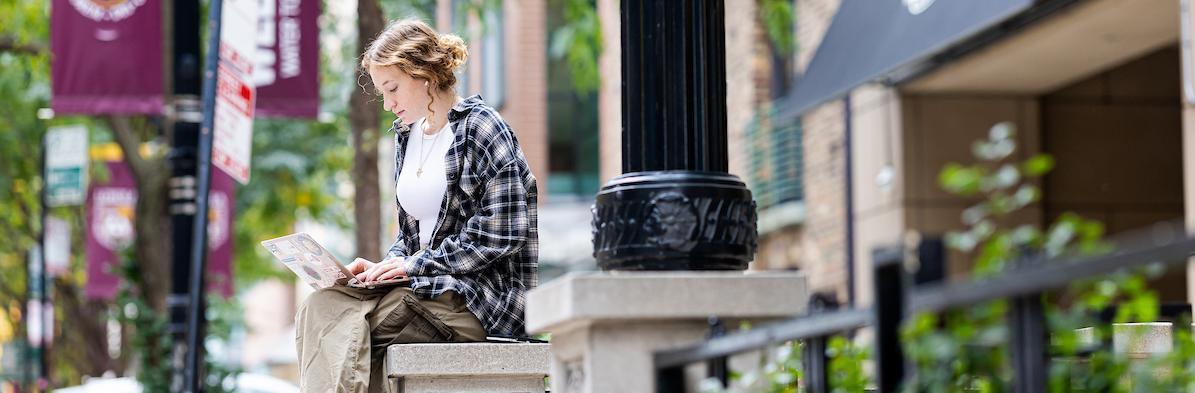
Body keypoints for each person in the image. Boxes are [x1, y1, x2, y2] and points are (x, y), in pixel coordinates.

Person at [294, 18, 539, 393]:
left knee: (348, 325)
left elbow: (501, 234)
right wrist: (384, 267)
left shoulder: (482, 127)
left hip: (476, 298)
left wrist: (412, 266)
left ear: (423, 73)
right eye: (382, 92)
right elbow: (413, 237)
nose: (387, 103)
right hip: (422, 286)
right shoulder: (408, 136)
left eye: (392, 88)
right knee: (319, 305)